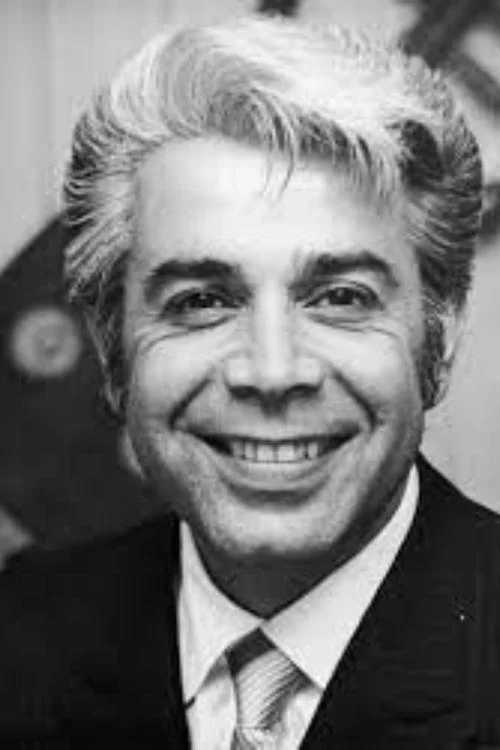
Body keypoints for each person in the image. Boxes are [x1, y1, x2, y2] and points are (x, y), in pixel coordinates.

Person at [1, 14, 499, 747]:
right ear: (112, 350)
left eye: (341, 297)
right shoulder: (17, 637)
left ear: (442, 340)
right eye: (201, 301)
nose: (272, 371)